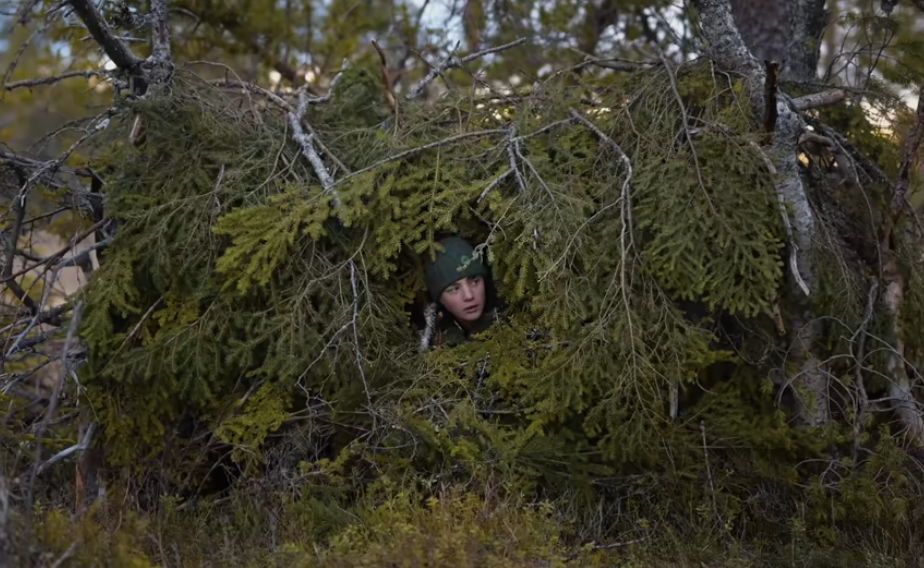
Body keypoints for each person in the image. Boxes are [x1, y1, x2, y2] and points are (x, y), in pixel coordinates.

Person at [419, 236, 504, 351]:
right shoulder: (435, 341)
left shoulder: (510, 319)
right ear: (440, 299)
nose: (469, 296)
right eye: (454, 289)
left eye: (475, 282)